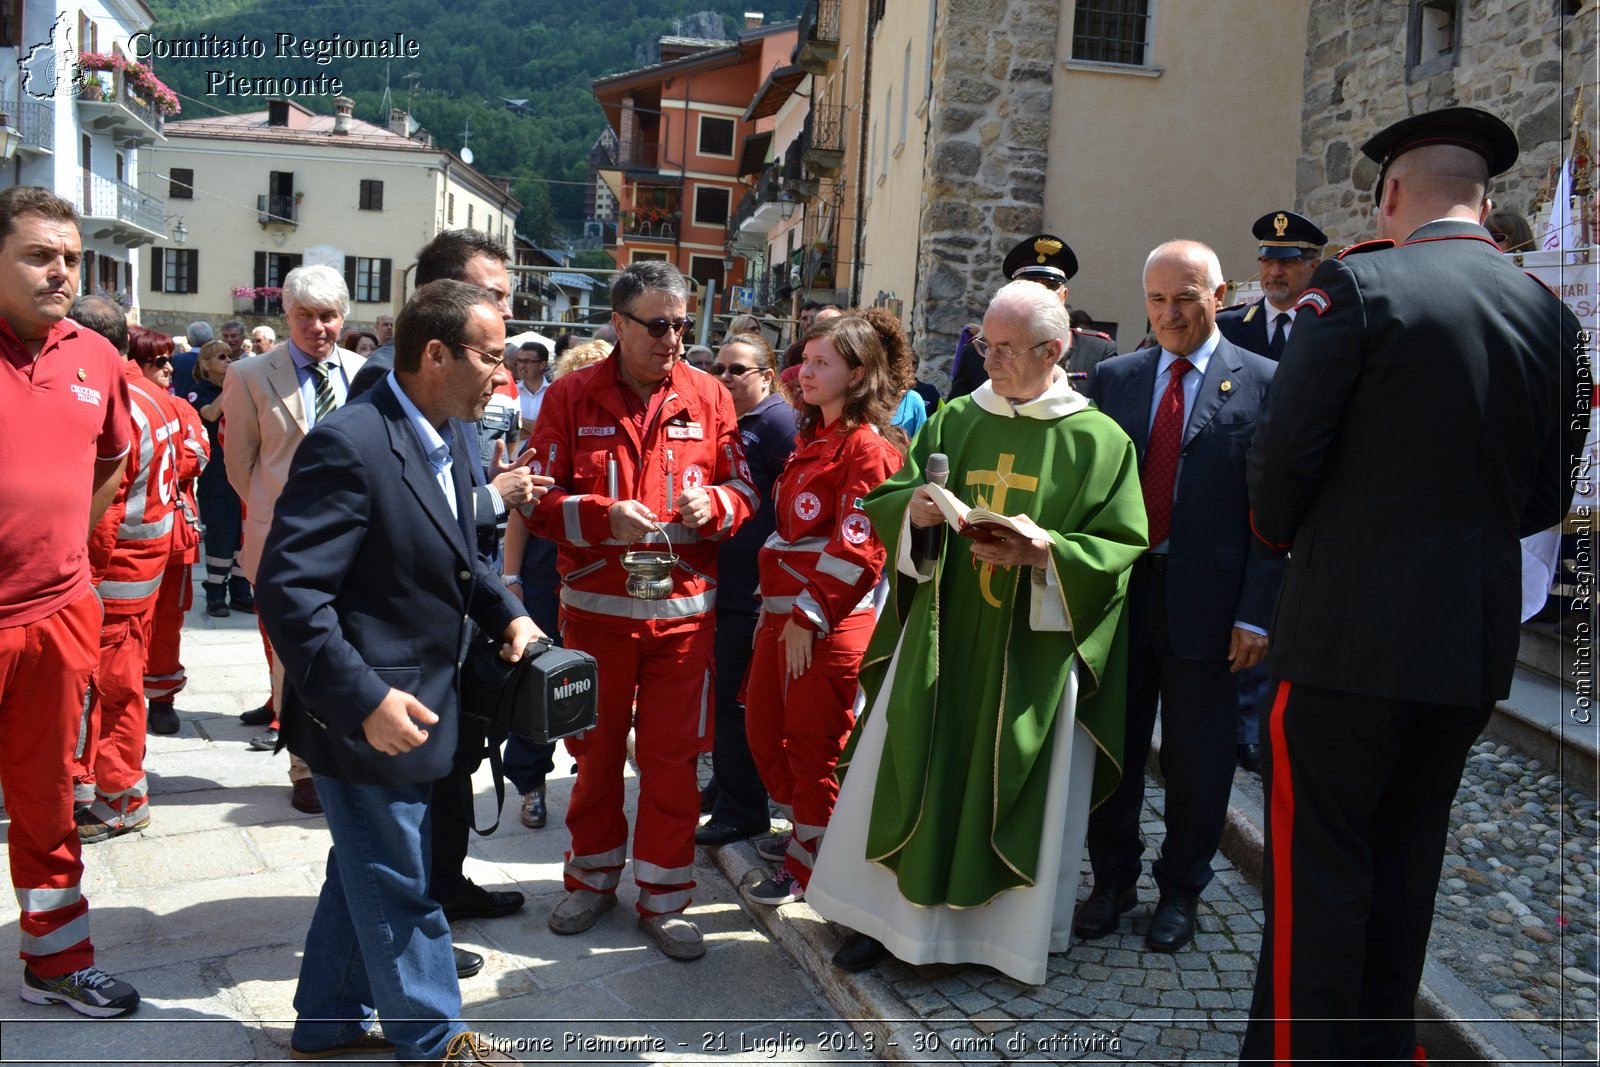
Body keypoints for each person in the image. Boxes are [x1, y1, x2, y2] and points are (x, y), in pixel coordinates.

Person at [1241, 107, 1589, 1065]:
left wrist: (1284, 542)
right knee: (1405, 867)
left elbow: (1283, 462)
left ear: (1393, 192)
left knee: (1320, 871)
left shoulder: (1357, 286)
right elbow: (1547, 493)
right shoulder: (1554, 319)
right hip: (1467, 642)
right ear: (1487, 200)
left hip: (1347, 636)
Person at [806, 280, 1147, 984]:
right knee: (902, 764)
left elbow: (1118, 549)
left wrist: (1047, 552)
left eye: (1006, 349)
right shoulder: (957, 418)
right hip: (941, 629)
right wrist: (919, 516)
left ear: (1054, 350)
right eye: (983, 344)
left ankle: (993, 939)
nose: (989, 361)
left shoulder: (1100, 439)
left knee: (1004, 781)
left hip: (1030, 647)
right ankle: (880, 919)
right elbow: (897, 494)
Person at [257, 279, 537, 1066]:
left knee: (365, 869)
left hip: (426, 702)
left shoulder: (451, 434)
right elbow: (290, 591)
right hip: (366, 712)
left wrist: (504, 609)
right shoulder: (351, 441)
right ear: (436, 354)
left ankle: (327, 1023)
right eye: (491, 356)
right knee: (401, 879)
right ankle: (438, 1038)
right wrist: (364, 698)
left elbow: (454, 554)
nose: (503, 374)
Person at [526, 260, 755, 961]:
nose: (673, 339)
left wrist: (716, 504)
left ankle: (663, 897)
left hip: (684, 621)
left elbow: (741, 487)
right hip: (596, 621)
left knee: (672, 761)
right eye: (657, 325)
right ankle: (592, 881)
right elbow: (535, 500)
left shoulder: (711, 395)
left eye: (683, 324)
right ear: (619, 323)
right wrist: (600, 516)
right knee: (594, 758)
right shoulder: (570, 395)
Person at [1076, 240, 1280, 954]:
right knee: (1113, 751)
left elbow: (1274, 512)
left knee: (1199, 760)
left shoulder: (1262, 381)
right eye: (1157, 299)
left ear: (1220, 295)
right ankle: (1111, 881)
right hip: (1123, 599)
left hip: (1214, 609)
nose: (1170, 313)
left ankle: (1181, 890)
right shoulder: (1116, 378)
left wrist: (1257, 610)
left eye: (1186, 297)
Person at [0, 187, 140, 1018]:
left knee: (48, 797)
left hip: (54, 615)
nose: (60, 271)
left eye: (70, 257)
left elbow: (112, 460)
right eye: (38, 255)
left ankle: (54, 962)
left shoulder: (95, 354)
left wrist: (61, 549)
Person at [742, 314, 906, 907]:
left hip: (825, 624)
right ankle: (818, 836)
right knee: (764, 734)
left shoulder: (867, 448)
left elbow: (859, 544)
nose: (804, 372)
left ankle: (813, 869)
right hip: (782, 619)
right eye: (804, 361)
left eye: (821, 364)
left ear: (857, 375)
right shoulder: (814, 437)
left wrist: (810, 616)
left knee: (814, 749)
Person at [221, 264, 368, 812]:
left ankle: (347, 751)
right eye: (304, 316)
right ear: (287, 316)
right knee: (293, 655)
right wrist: (280, 514)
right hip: (285, 542)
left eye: (327, 316)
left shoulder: (364, 371)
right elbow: (241, 465)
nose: (316, 327)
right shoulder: (252, 374)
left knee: (352, 645)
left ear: (343, 318)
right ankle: (303, 765)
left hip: (355, 541)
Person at [1214, 209, 1327, 777]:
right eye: (1266, 260)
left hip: (1307, 494)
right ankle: (1237, 723)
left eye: (1286, 261)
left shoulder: (1329, 325)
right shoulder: (1231, 325)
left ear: (1313, 264)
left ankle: (1264, 726)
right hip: (1239, 489)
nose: (1273, 272)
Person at [695, 332, 797, 848]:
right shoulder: (733, 420)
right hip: (726, 583)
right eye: (720, 368)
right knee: (726, 702)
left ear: (767, 375)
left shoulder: (779, 424)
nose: (726, 377)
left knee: (740, 706)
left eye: (738, 370)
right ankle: (725, 786)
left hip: (753, 591)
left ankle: (744, 809)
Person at [136, 330, 209, 737]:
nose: (167, 368)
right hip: (125, 538)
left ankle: (162, 698)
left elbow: (196, 456)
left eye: (168, 360)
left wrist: (152, 461)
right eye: (157, 361)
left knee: (167, 622)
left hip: (174, 533)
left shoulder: (182, 407)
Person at [947, 234, 1119, 400]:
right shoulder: (978, 354)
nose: (1040, 294)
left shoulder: (1098, 351)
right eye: (1031, 285)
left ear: (1064, 295)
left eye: (1050, 287)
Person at [188, 341, 251, 620]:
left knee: (242, 532)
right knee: (221, 530)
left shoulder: (238, 389)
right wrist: (234, 385)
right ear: (205, 364)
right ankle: (215, 592)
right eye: (221, 357)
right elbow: (211, 414)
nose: (228, 361)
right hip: (215, 473)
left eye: (231, 356)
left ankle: (240, 591)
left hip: (241, 467)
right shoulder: (197, 392)